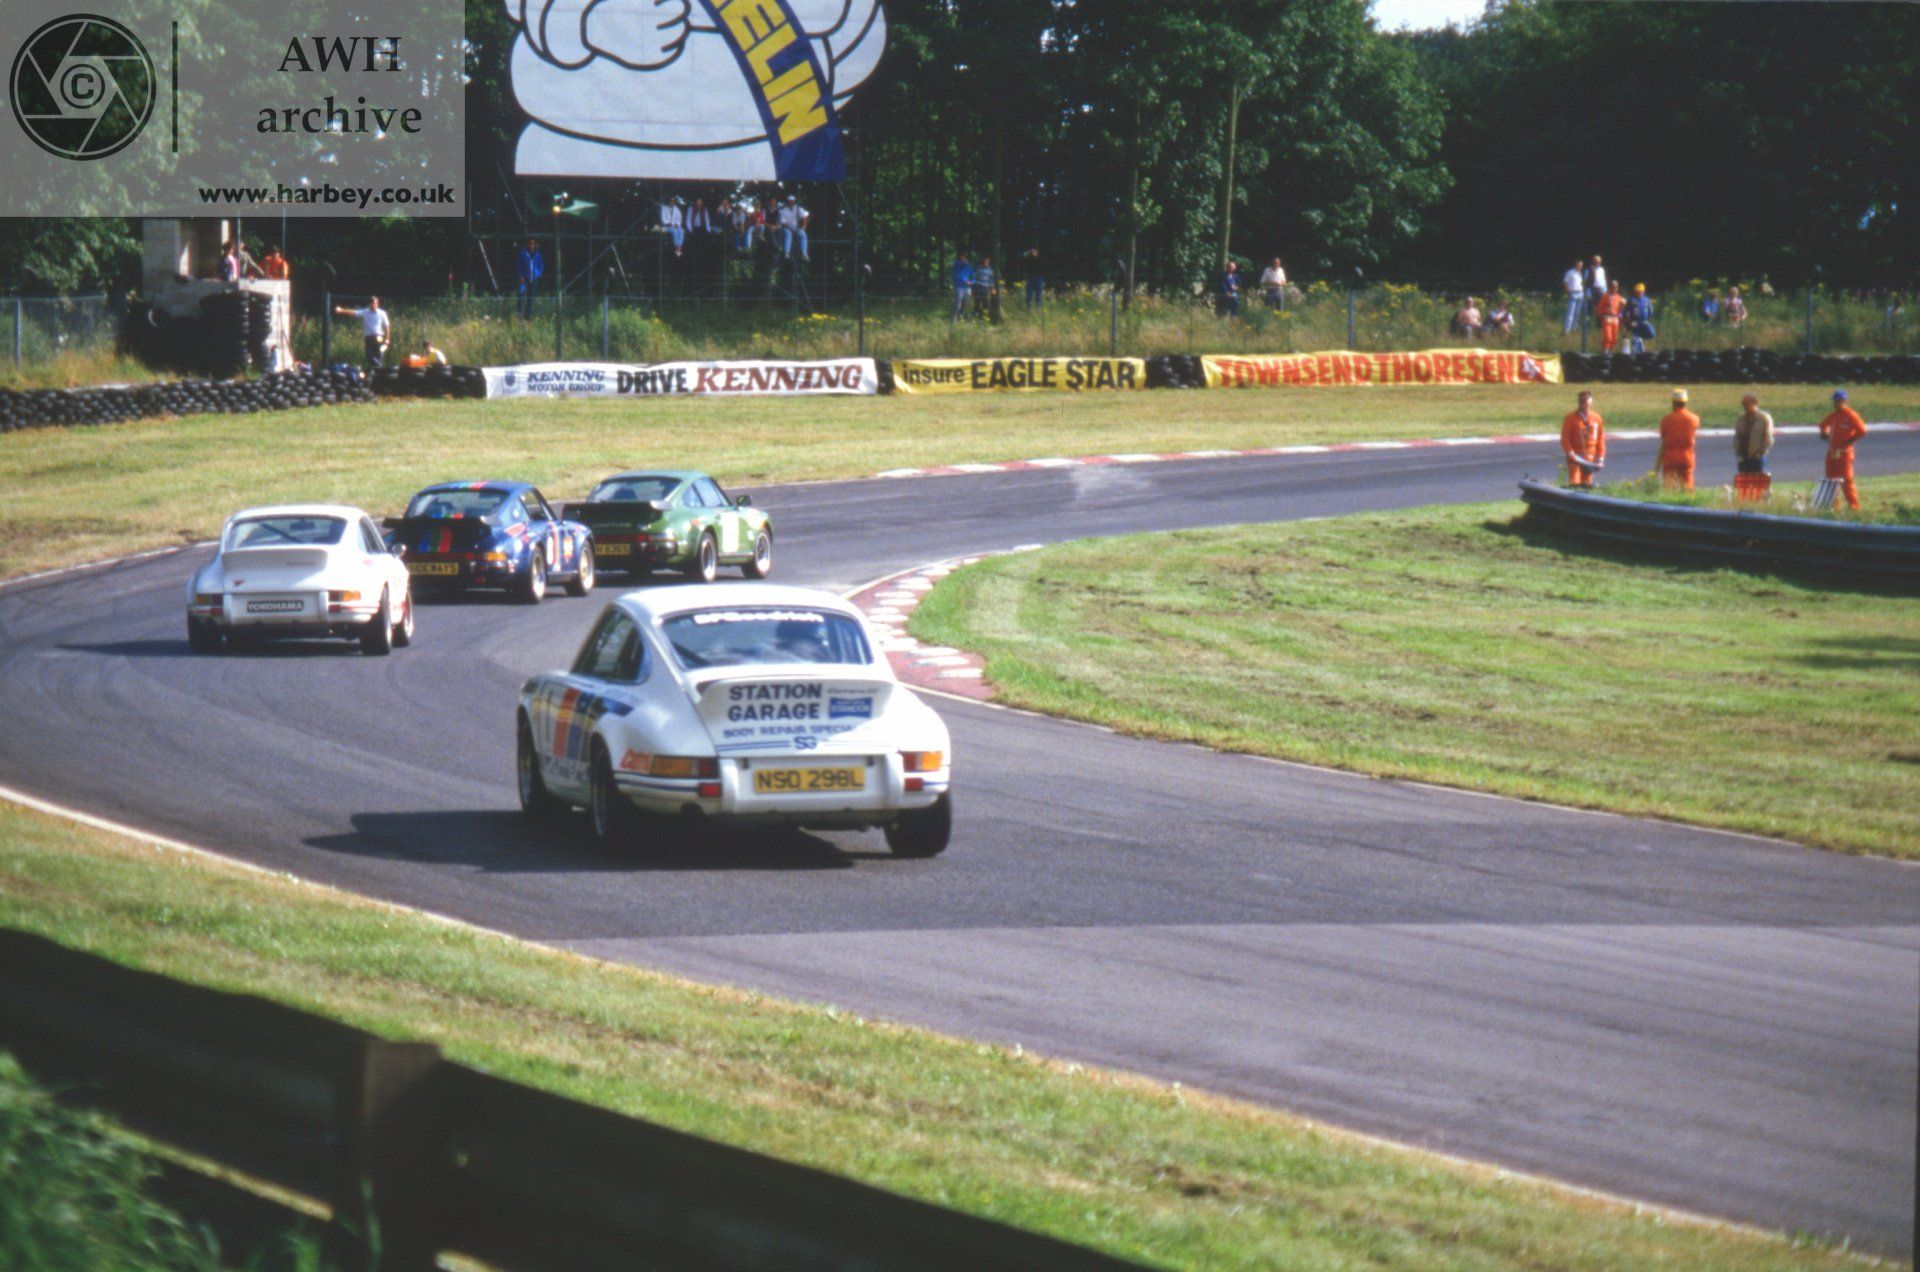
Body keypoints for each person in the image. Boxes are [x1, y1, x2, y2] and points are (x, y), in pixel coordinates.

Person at [1818, 389, 1867, 510]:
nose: (1835, 404)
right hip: (1832, 451)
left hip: (1844, 452)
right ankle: (1835, 506)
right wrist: (1824, 433)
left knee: (1847, 480)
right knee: (1831, 480)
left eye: (1838, 401)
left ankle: (1854, 507)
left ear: (1845, 401)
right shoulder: (1834, 415)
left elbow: (1862, 430)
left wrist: (1851, 440)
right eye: (1834, 401)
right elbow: (1822, 424)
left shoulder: (1851, 415)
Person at [1561, 390, 1606, 488]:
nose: (1583, 403)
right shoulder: (1570, 418)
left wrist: (1601, 458)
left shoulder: (1597, 418)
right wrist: (1570, 453)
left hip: (1590, 458)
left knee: (1587, 486)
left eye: (1586, 400)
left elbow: (1600, 439)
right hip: (1575, 457)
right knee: (1575, 483)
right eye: (1581, 401)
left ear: (1590, 402)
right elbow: (1565, 439)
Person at [1658, 388, 1701, 490]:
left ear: (1673, 402)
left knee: (1669, 489)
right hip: (1687, 457)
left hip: (1671, 458)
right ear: (1685, 402)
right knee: (1688, 488)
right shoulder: (1694, 419)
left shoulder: (1666, 420)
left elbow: (1664, 437)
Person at [334, 297, 390, 369]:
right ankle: (377, 369)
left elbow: (387, 325)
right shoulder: (365, 312)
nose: (373, 305)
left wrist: (387, 338)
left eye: (375, 303)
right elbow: (354, 312)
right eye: (371, 303)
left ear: (377, 304)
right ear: (369, 304)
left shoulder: (382, 313)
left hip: (379, 336)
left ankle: (378, 369)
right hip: (369, 337)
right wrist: (341, 311)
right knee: (369, 355)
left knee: (378, 354)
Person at [1734, 393, 1774, 474]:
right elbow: (1737, 436)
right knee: (1744, 482)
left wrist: (1761, 452)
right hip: (1743, 456)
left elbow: (1768, 437)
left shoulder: (1764, 418)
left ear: (1755, 403)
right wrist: (1737, 452)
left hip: (1756, 457)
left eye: (1746, 404)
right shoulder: (1741, 419)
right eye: (1743, 404)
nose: (1744, 406)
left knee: (1757, 481)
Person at [515, 238, 544, 320]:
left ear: (535, 245)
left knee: (531, 298)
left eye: (533, 243)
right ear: (527, 244)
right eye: (530, 243)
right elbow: (518, 265)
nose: (532, 245)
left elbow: (541, 265)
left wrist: (538, 274)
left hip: (533, 279)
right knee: (521, 295)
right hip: (523, 279)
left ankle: (528, 315)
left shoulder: (538, 255)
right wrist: (521, 276)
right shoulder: (522, 254)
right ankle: (519, 313)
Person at [1593, 280, 1625, 352]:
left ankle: (1610, 352)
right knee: (1608, 337)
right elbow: (1600, 309)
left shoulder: (1619, 297)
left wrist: (1623, 307)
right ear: (1610, 288)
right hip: (1607, 318)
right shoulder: (1605, 297)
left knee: (1615, 338)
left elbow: (1621, 309)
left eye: (1616, 287)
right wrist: (1599, 318)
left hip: (1615, 319)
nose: (1614, 289)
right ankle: (1605, 351)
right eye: (1612, 287)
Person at [1625, 283, 1656, 355]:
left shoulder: (1646, 300)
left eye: (1641, 291)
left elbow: (1650, 311)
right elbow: (1626, 312)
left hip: (1644, 321)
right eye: (1637, 291)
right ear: (1635, 291)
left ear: (1643, 291)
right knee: (1636, 339)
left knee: (1651, 333)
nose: (1639, 292)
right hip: (1635, 322)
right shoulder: (1631, 299)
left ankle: (1641, 340)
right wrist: (1629, 322)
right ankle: (1637, 353)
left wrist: (1648, 319)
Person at [972, 255, 999, 322]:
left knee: (986, 303)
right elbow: (973, 278)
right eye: (985, 260)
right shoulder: (978, 268)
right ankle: (975, 318)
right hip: (977, 287)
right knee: (977, 303)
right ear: (983, 261)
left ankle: (984, 318)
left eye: (987, 260)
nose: (986, 261)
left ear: (989, 261)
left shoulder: (990, 269)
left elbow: (991, 280)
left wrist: (992, 288)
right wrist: (972, 288)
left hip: (985, 288)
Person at [1562, 258, 1585, 332]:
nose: (1580, 267)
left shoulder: (1580, 273)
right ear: (1576, 264)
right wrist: (1568, 291)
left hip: (1580, 293)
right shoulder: (1570, 272)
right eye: (1579, 265)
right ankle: (1567, 329)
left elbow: (1581, 283)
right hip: (1573, 293)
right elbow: (1565, 282)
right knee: (1570, 312)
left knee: (1577, 313)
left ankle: (1574, 328)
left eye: (1581, 265)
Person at [950, 253, 973, 320]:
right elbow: (954, 276)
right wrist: (954, 285)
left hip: (967, 287)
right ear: (960, 257)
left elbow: (973, 277)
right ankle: (953, 317)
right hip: (958, 287)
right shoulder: (956, 265)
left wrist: (970, 282)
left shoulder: (968, 266)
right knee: (958, 304)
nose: (964, 259)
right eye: (962, 257)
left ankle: (961, 315)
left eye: (965, 258)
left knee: (966, 303)